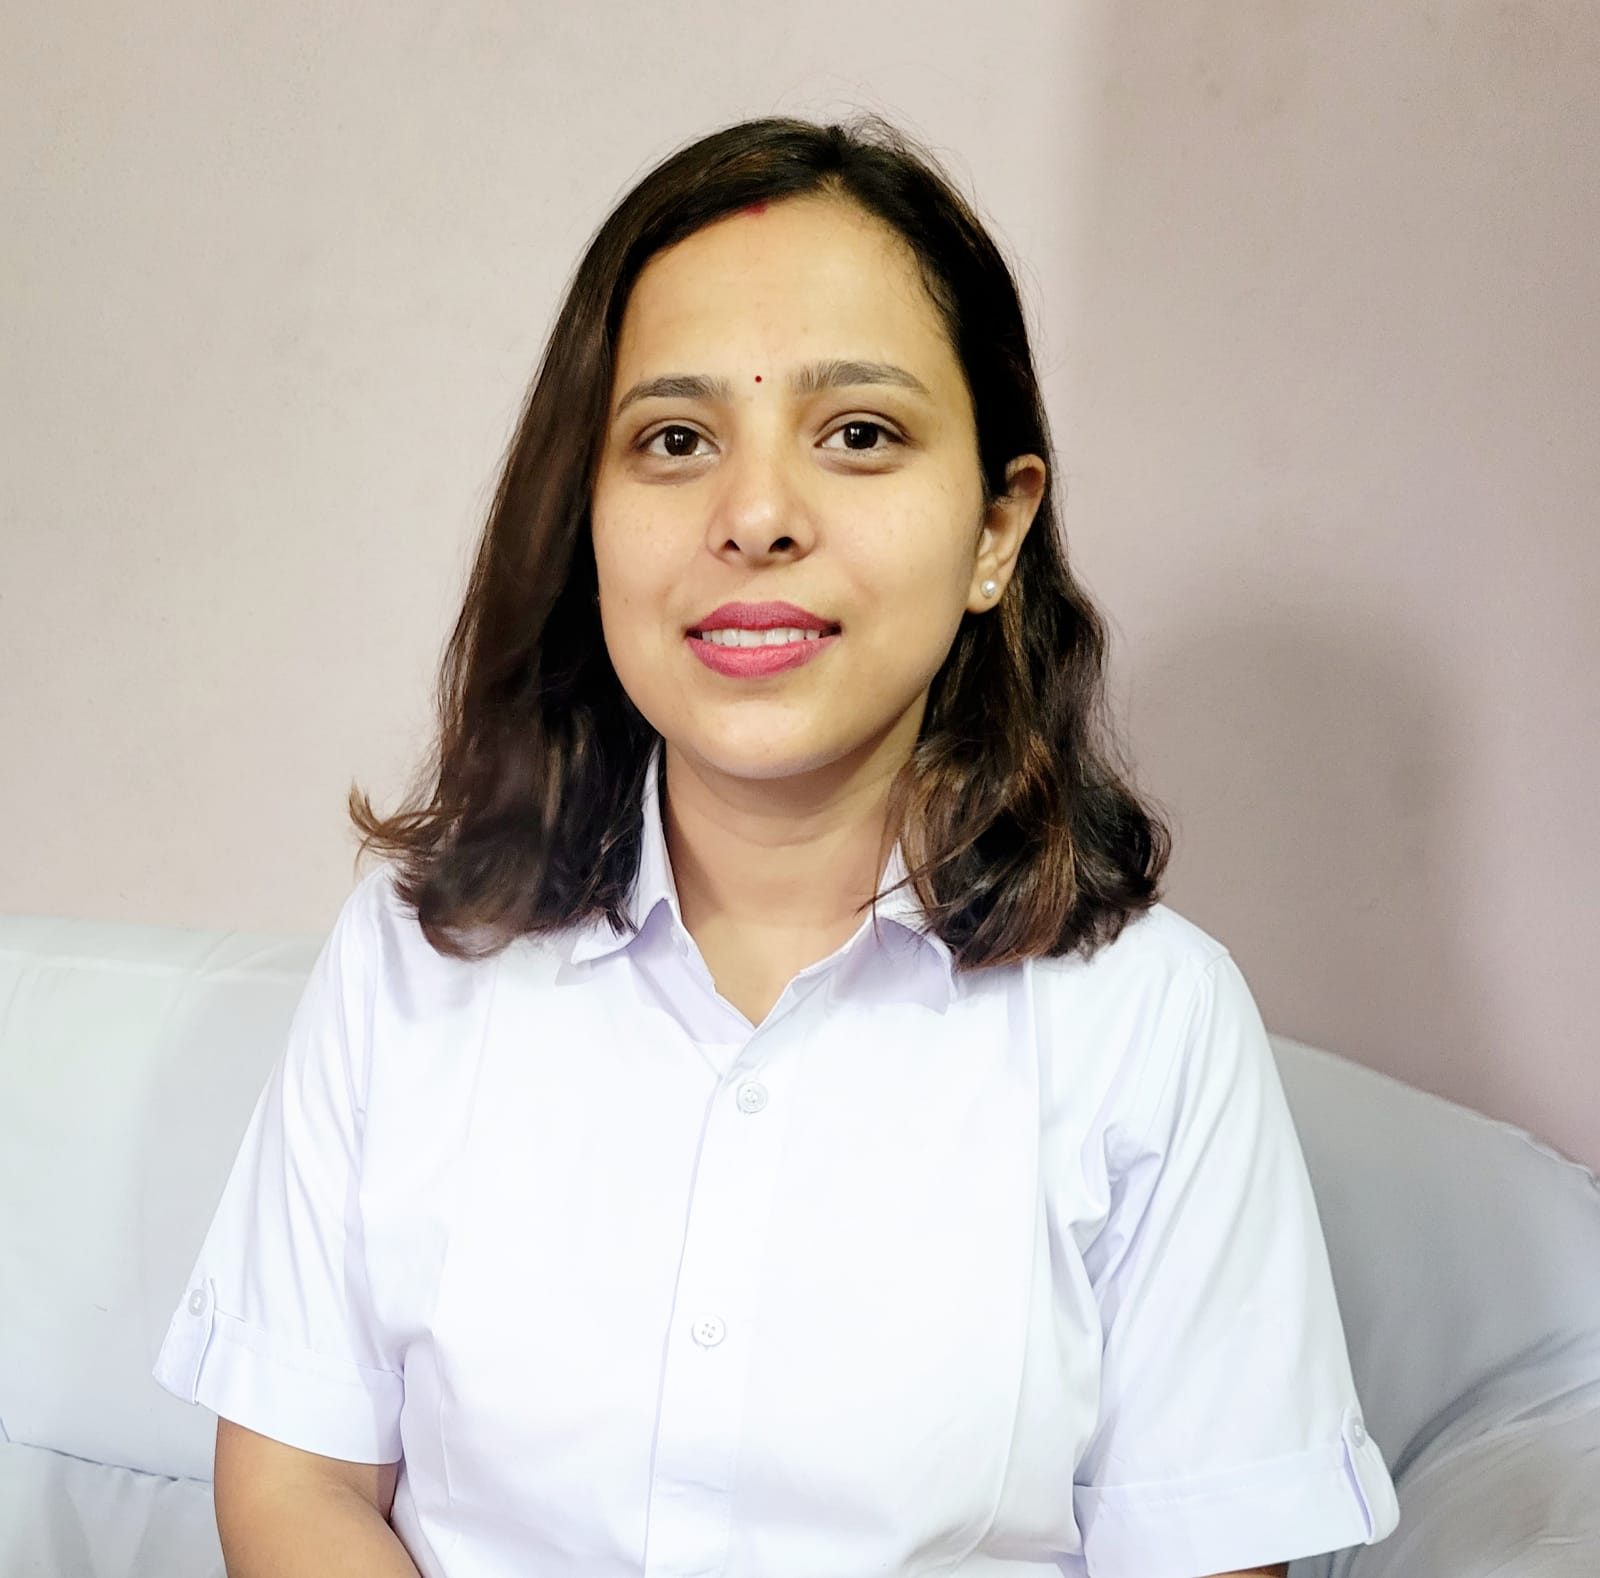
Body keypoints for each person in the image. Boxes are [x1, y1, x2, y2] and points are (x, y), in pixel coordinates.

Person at [152, 113, 1400, 1578]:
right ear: (586, 515)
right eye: (675, 440)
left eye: (858, 434)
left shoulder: (1155, 1022)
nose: (753, 516)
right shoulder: (412, 957)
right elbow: (297, 1487)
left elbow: (1209, 1554)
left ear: (996, 530)